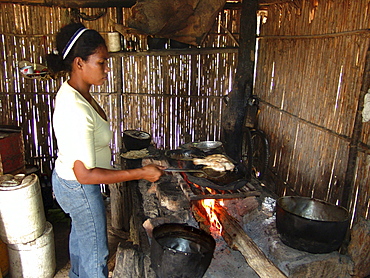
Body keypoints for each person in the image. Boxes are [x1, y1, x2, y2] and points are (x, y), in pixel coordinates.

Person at [47, 22, 164, 278]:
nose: (107, 68)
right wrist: (141, 173)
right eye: (101, 62)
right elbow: (85, 175)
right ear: (79, 63)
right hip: (79, 187)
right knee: (95, 255)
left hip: (66, 180)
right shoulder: (75, 108)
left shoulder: (78, 92)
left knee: (81, 244)